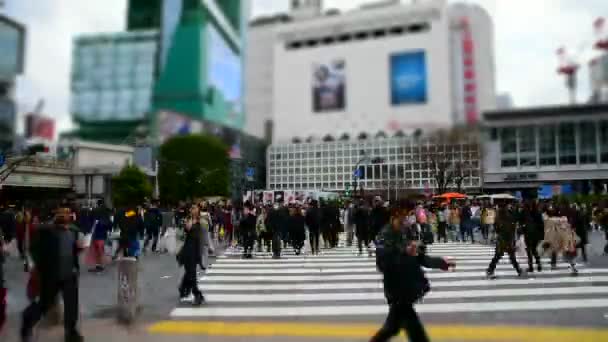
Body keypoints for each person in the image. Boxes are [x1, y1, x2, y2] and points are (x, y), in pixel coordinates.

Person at [372, 215, 455, 342]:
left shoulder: (404, 235)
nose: (405, 221)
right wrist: (404, 252)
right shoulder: (386, 237)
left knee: (393, 328)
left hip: (406, 290)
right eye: (401, 218)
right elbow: (383, 265)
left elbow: (420, 258)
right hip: (398, 290)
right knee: (414, 333)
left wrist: (442, 263)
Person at [21, 206, 84, 342]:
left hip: (69, 275)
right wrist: (40, 267)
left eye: (67, 215)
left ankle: (71, 332)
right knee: (44, 304)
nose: (64, 217)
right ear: (55, 217)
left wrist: (79, 250)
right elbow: (33, 249)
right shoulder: (45, 231)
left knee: (71, 306)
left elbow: (74, 250)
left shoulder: (73, 231)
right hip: (51, 275)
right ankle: (27, 323)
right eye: (61, 215)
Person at [486, 203, 525, 279]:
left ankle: (490, 270)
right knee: (509, 256)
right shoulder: (508, 217)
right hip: (507, 239)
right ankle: (518, 270)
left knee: (498, 256)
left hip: (502, 239)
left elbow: (496, 228)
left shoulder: (499, 217)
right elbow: (512, 227)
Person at [176, 204, 205, 305]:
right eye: (192, 208)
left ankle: (187, 290)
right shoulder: (188, 220)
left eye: (195, 208)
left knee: (190, 273)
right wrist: (189, 220)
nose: (194, 210)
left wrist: (202, 253)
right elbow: (186, 230)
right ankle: (194, 293)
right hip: (188, 250)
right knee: (190, 273)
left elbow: (202, 238)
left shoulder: (201, 222)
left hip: (196, 250)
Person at [520, 201, 544, 273]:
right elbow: (541, 225)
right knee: (534, 249)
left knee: (529, 249)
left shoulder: (525, 213)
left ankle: (531, 267)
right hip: (536, 235)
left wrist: (523, 228)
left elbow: (521, 222)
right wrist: (541, 236)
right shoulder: (538, 213)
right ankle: (539, 263)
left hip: (528, 234)